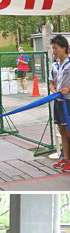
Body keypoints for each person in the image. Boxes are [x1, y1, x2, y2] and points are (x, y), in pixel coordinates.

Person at [49, 35, 70, 172]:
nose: (54, 51)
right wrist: (55, 92)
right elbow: (51, 83)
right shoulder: (54, 65)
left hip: (68, 101)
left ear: (64, 49)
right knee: (62, 130)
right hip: (58, 101)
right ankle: (66, 158)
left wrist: (68, 89)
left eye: (56, 48)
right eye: (53, 48)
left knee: (68, 130)